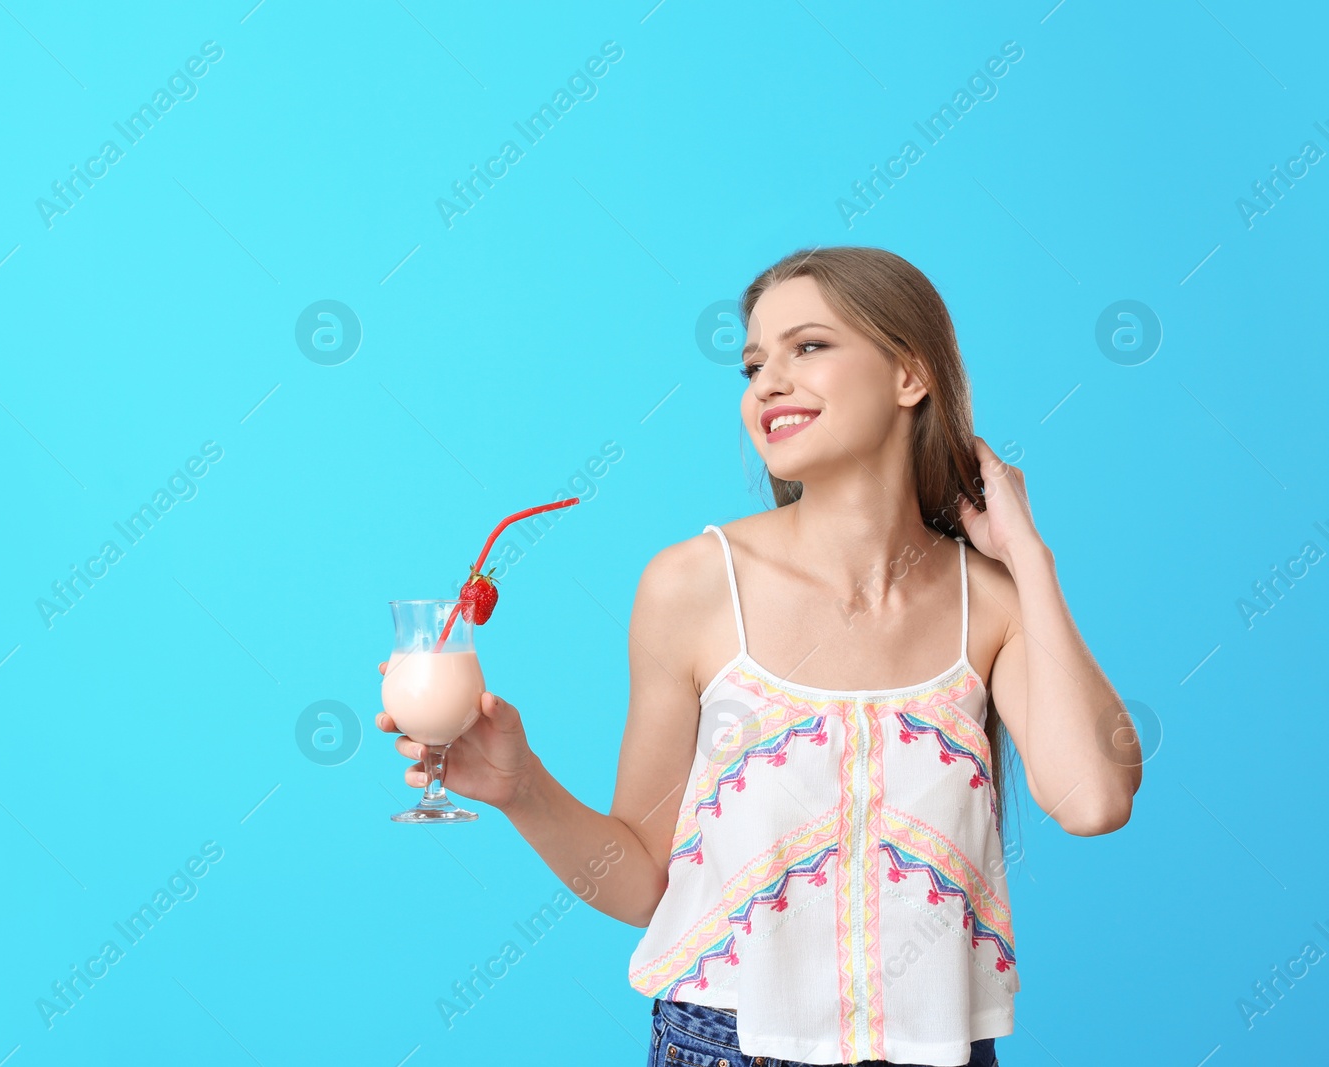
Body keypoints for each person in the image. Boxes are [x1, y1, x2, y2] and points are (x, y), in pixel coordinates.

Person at [376, 246, 1141, 1066]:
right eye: (752, 364)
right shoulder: (694, 587)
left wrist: (1030, 560)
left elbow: (1092, 799)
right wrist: (521, 787)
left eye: (807, 346)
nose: (766, 383)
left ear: (910, 375)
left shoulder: (988, 602)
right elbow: (643, 882)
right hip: (726, 1045)